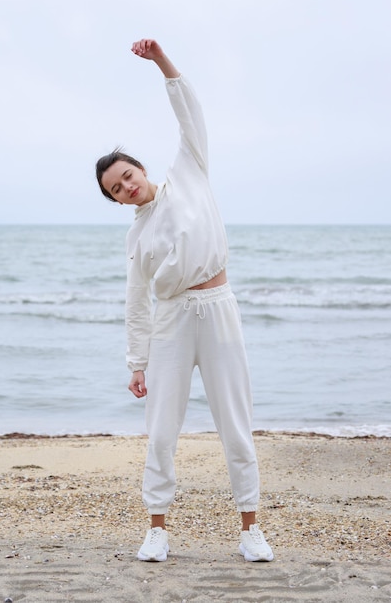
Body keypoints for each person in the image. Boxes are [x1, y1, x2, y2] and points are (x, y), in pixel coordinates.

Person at [96, 38, 273, 563]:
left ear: (141, 168)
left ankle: (251, 530)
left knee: (235, 424)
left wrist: (160, 61)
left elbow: (187, 107)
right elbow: (137, 302)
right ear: (113, 200)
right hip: (172, 323)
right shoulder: (135, 238)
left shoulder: (189, 171)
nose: (126, 186)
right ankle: (157, 530)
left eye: (127, 175)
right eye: (115, 188)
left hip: (218, 309)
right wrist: (136, 364)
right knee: (161, 431)